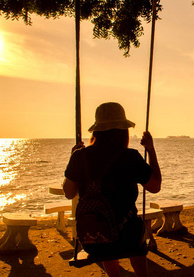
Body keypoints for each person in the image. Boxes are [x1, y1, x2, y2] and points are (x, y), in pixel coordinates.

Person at [63, 102, 161, 277]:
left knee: (104, 229)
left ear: (96, 131)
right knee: (132, 226)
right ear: (124, 130)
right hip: (128, 239)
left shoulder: (80, 157)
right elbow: (154, 187)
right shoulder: (130, 157)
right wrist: (151, 151)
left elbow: (69, 193)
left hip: (93, 239)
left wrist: (73, 158)